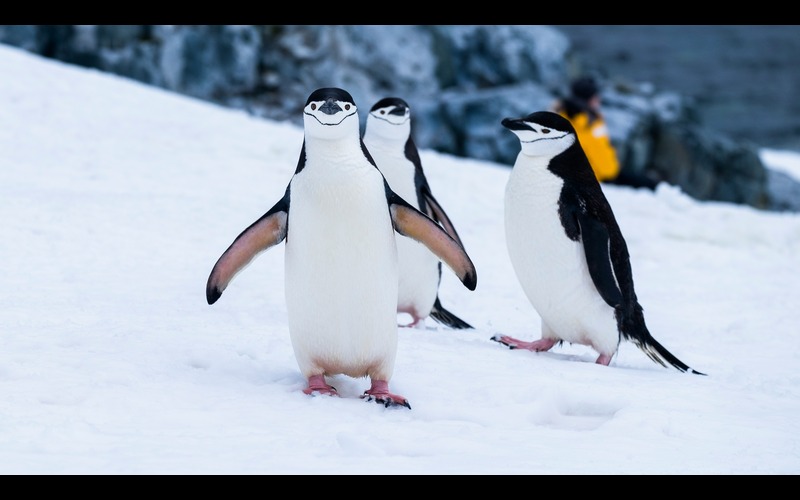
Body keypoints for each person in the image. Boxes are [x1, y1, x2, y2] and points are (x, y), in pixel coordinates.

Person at [553, 76, 659, 190]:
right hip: (597, 179)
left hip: (611, 172)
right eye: (595, 97)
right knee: (650, 186)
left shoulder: (593, 118)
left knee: (651, 183)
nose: (598, 99)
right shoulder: (570, 123)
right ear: (587, 99)